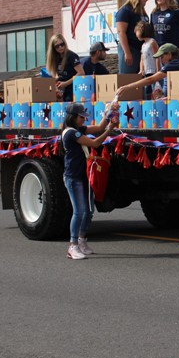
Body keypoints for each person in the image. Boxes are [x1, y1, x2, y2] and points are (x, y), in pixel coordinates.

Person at [61, 102, 117, 260]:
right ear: (73, 117)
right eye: (81, 117)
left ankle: (82, 241)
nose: (83, 120)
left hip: (83, 175)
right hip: (73, 177)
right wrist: (110, 130)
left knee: (89, 211)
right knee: (79, 211)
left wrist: (108, 115)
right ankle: (72, 246)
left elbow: (99, 127)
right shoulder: (71, 133)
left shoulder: (78, 130)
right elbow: (95, 143)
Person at [115, 43, 179, 99]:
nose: (161, 60)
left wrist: (127, 87)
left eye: (162, 57)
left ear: (169, 54)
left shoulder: (174, 64)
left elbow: (151, 79)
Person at [116, 0, 149, 74]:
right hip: (130, 48)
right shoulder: (125, 11)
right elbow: (121, 32)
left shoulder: (142, 12)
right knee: (127, 78)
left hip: (141, 50)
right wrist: (127, 52)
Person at [46, 34, 84, 102]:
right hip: (62, 90)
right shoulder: (56, 58)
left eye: (62, 44)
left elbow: (81, 73)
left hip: (72, 89)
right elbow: (59, 75)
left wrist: (65, 83)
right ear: (53, 48)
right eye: (57, 46)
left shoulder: (71, 55)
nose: (60, 47)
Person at [135, 20, 160, 99]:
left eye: (137, 31)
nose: (136, 34)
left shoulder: (152, 42)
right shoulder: (143, 45)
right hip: (147, 71)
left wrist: (158, 69)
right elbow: (142, 58)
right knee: (147, 90)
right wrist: (141, 69)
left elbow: (157, 56)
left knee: (155, 89)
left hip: (153, 71)